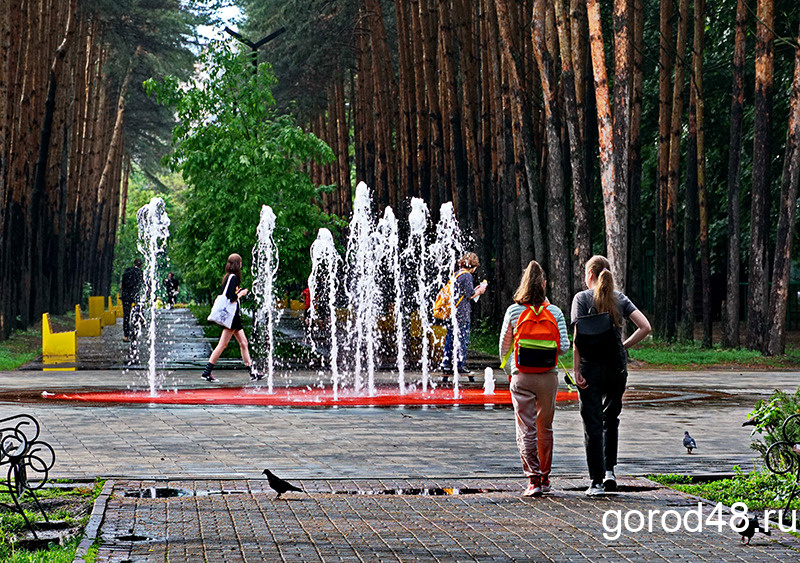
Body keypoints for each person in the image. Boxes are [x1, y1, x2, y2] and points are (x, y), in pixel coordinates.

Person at [571, 255, 651, 496]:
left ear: (590, 275)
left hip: (590, 367)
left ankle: (595, 482)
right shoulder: (621, 299)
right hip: (616, 368)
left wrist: (576, 370)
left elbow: (578, 339)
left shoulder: (581, 299)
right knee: (611, 418)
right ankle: (609, 473)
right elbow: (645, 327)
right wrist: (623, 346)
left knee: (592, 423)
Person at [499, 261, 570, 497]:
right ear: (544, 284)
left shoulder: (513, 311)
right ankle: (546, 477)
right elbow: (564, 349)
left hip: (521, 376)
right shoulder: (556, 312)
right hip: (548, 378)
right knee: (545, 428)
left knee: (526, 429)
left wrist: (510, 372)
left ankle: (533, 480)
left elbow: (503, 347)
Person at [201, 254, 260, 382]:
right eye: (240, 262)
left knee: (244, 343)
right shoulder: (232, 278)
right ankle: (206, 372)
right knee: (223, 345)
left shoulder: (227, 277)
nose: (242, 264)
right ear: (237, 264)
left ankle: (252, 373)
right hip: (231, 318)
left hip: (234, 318)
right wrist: (241, 293)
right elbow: (231, 298)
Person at [440, 252, 486, 380]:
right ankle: (460, 364)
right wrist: (480, 290)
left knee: (450, 339)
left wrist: (474, 290)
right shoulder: (467, 276)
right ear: (473, 266)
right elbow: (470, 294)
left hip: (452, 313)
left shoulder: (457, 274)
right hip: (462, 314)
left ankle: (446, 364)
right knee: (462, 340)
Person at [120, 258, 144, 342]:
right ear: (141, 265)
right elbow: (143, 286)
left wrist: (122, 295)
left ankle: (126, 335)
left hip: (126, 296)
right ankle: (134, 332)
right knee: (136, 314)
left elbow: (122, 284)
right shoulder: (140, 273)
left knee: (126, 315)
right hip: (135, 295)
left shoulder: (127, 272)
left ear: (134, 264)